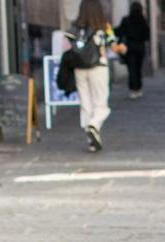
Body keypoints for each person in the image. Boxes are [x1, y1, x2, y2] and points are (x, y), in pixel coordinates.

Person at [70, 0, 127, 152]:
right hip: (98, 67)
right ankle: (94, 125)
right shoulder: (103, 27)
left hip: (79, 68)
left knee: (86, 104)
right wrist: (123, 48)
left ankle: (92, 141)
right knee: (101, 103)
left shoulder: (75, 27)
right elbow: (114, 47)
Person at [115, 2, 150, 99]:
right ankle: (138, 88)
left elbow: (119, 32)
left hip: (129, 48)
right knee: (138, 69)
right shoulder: (143, 21)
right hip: (140, 48)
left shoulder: (126, 20)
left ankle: (133, 89)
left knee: (132, 70)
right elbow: (147, 36)